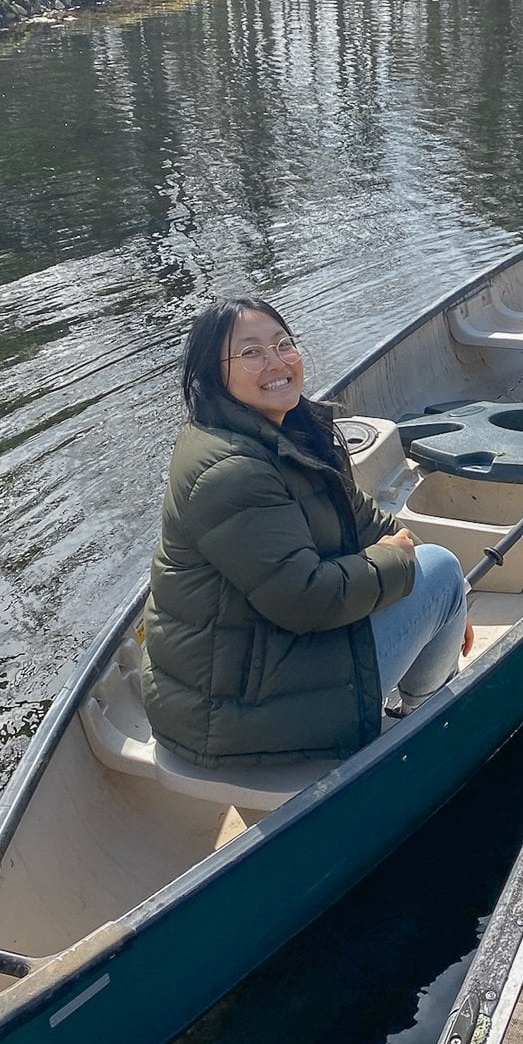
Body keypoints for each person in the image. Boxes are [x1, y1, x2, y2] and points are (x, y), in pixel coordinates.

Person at [141, 296, 471, 767]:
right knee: (439, 569)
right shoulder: (232, 471)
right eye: (251, 352)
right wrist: (417, 574)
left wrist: (445, 601)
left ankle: (415, 688)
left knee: (437, 576)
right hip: (230, 713)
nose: (275, 362)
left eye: (283, 344)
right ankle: (419, 717)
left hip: (250, 663)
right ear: (215, 375)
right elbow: (306, 599)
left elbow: (362, 519)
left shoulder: (287, 432)